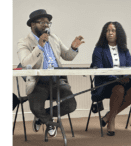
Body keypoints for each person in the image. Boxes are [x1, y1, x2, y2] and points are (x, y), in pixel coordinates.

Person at [17, 9, 84, 137]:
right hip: (38, 82)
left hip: (57, 80)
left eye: (48, 23)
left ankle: (41, 117)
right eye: (42, 22)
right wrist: (40, 46)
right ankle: (49, 122)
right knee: (36, 108)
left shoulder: (54, 38)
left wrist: (74, 48)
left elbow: (67, 56)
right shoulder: (24, 42)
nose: (46, 25)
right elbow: (25, 63)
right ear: (32, 24)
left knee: (71, 105)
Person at [91, 21, 131, 136]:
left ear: (118, 33)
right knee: (118, 88)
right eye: (107, 31)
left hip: (123, 81)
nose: (110, 33)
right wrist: (116, 79)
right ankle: (111, 121)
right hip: (105, 83)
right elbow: (100, 70)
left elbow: (130, 68)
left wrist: (127, 78)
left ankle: (109, 116)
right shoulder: (99, 49)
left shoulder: (124, 50)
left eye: (113, 30)